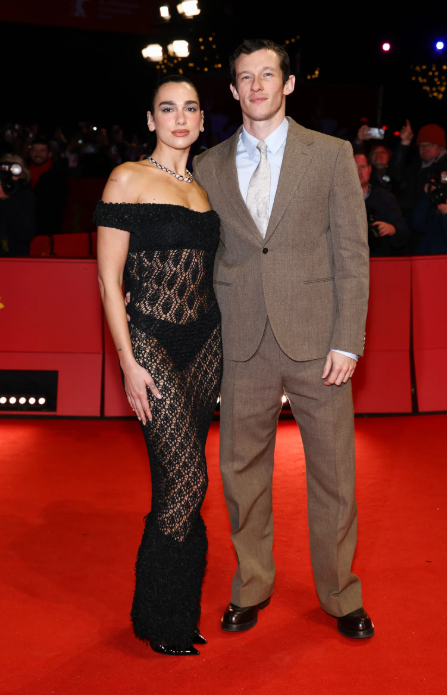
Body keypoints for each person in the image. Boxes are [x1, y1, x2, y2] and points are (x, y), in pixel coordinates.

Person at [193, 39, 374, 639]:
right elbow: (205, 257)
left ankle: (340, 594)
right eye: (245, 78)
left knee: (334, 475)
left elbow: (352, 253)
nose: (257, 86)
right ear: (233, 90)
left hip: (319, 341)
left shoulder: (331, 154)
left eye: (267, 74)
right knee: (241, 472)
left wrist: (348, 340)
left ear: (288, 83)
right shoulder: (208, 165)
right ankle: (252, 583)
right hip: (242, 339)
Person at [94, 75, 222, 656]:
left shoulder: (204, 188)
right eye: (167, 109)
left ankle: (167, 612)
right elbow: (107, 280)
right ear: (151, 120)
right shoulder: (127, 177)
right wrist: (126, 361)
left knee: (178, 483)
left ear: (201, 120)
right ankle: (163, 619)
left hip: (206, 342)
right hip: (151, 340)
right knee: (190, 478)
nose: (180, 118)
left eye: (190, 108)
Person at [388, 120, 447, 222]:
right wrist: (404, 144)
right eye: (421, 146)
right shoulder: (415, 165)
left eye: (430, 145)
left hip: (432, 225)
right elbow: (395, 175)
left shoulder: (444, 170)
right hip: (408, 222)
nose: (425, 149)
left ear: (440, 147)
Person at [355, 152, 409, 256]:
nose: (359, 172)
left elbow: (404, 234)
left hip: (380, 259)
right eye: (354, 167)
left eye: (362, 167)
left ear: (369, 169)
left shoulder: (385, 198)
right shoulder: (338, 200)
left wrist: (393, 229)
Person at [29, 135, 68, 235]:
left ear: (49, 154)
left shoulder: (58, 176)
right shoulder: (23, 173)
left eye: (42, 151)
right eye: (35, 150)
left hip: (48, 230)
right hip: (26, 229)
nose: (38, 154)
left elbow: (58, 206)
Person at [0, 154, 36, 256]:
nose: (10, 180)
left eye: (15, 174)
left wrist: (6, 199)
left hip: (16, 257)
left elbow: (26, 233)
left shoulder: (27, 197)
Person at [412, 181, 447, 254]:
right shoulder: (436, 210)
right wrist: (427, 195)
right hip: (427, 256)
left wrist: (445, 215)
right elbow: (417, 224)